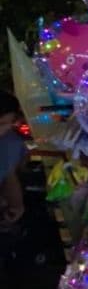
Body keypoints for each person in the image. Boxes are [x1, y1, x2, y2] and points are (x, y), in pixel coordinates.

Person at [0, 92, 27, 229]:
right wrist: (16, 205)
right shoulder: (10, 143)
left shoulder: (10, 141)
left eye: (4, 124)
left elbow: (10, 174)